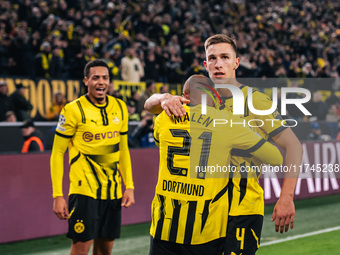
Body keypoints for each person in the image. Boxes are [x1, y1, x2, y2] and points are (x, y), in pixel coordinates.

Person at [145, 34, 303, 254]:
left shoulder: (256, 101)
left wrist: (286, 196)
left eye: (225, 57)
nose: (218, 63)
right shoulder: (196, 100)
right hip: (205, 214)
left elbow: (293, 145)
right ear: (205, 64)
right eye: (212, 58)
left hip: (242, 210)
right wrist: (164, 98)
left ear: (236, 62)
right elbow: (149, 105)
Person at [149, 75, 283, 255]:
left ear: (184, 96)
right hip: (206, 230)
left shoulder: (164, 118)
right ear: (215, 96)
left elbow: (159, 138)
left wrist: (165, 98)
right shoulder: (227, 122)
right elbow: (275, 158)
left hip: (163, 227)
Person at [50, 59, 135, 255]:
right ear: (86, 81)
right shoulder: (72, 110)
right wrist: (57, 195)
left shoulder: (120, 107)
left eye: (105, 78)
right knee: (81, 249)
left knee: (105, 250)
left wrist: (129, 185)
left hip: (113, 192)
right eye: (95, 78)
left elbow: (123, 150)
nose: (101, 82)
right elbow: (57, 153)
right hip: (84, 191)